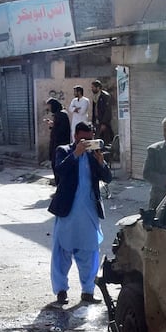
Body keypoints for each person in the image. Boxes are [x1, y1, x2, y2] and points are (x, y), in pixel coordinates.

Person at [49, 121, 113, 308]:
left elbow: (107, 178)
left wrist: (101, 162)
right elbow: (59, 172)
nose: (86, 142)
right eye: (83, 138)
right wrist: (75, 154)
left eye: (90, 138)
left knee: (90, 251)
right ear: (75, 136)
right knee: (62, 252)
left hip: (89, 211)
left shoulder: (94, 155)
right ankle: (61, 291)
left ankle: (88, 291)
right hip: (68, 211)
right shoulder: (64, 150)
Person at [90, 79, 116, 166]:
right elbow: (94, 111)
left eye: (93, 87)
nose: (92, 89)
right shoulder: (95, 97)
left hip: (104, 124)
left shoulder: (105, 96)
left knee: (105, 143)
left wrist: (104, 123)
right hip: (97, 123)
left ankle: (106, 163)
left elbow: (108, 111)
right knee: (97, 143)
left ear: (98, 87)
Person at [45, 97, 70, 162]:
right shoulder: (58, 114)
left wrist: (53, 126)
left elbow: (62, 129)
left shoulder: (62, 114)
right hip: (56, 142)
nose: (49, 109)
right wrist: (52, 124)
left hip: (60, 143)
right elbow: (58, 125)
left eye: (50, 106)